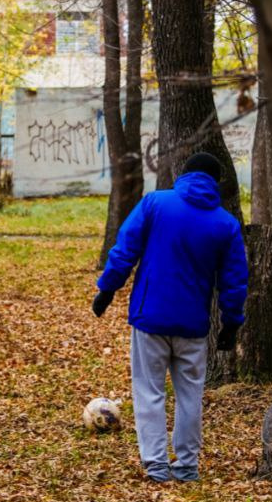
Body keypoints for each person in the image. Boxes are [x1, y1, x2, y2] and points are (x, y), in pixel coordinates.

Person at [93, 152, 249, 483]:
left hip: (150, 318)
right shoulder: (226, 224)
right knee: (190, 395)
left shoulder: (155, 204)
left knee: (149, 392)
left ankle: (156, 465)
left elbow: (125, 250)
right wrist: (231, 322)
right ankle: (188, 466)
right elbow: (233, 282)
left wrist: (107, 289)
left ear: (184, 174)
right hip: (192, 326)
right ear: (215, 182)